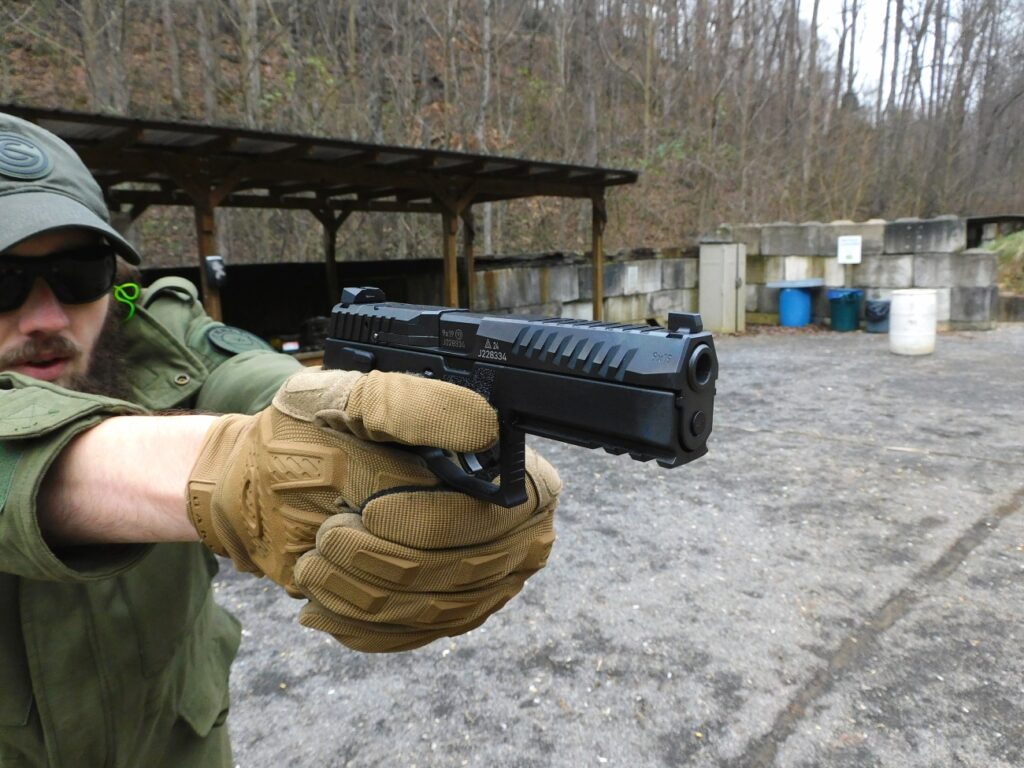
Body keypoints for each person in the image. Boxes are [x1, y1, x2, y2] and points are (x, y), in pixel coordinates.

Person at [0, 113, 561, 767]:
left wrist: (354, 424)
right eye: (1, 281)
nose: (45, 316)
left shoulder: (145, 326)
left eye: (79, 272)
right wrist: (238, 471)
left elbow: (250, 375)